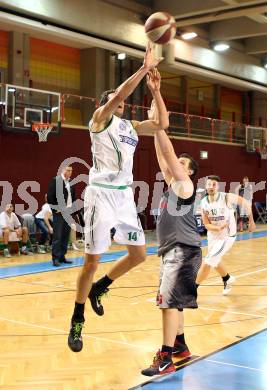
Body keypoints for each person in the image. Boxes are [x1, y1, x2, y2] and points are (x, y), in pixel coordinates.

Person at [68, 43, 168, 353]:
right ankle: (77, 317)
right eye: (116, 102)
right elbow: (119, 96)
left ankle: (100, 288)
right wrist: (142, 68)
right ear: (104, 104)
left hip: (124, 197)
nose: (121, 105)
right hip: (100, 196)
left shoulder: (132, 128)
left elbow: (162, 124)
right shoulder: (98, 121)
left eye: (122, 104)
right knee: (91, 261)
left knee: (139, 255)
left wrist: (155, 91)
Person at [141, 69, 201, 376]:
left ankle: (165, 358)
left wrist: (157, 104)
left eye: (182, 164)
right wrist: (154, 128)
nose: (176, 164)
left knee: (166, 302)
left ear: (189, 172)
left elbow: (167, 150)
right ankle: (180, 345)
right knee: (174, 301)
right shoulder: (173, 186)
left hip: (183, 250)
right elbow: (163, 156)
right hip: (174, 250)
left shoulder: (186, 187)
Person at [196, 176, 256, 294]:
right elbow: (207, 224)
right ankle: (227, 279)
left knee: (208, 261)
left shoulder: (226, 197)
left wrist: (251, 221)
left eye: (214, 184)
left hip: (227, 236)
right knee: (215, 260)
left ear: (218, 186)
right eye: (209, 184)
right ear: (206, 186)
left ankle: (192, 289)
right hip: (213, 235)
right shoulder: (203, 202)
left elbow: (245, 203)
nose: (211, 187)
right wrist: (217, 227)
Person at [47, 165, 76, 267]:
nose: (70, 172)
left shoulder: (71, 182)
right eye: (68, 170)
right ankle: (55, 258)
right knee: (57, 236)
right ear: (63, 171)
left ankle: (62, 256)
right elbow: (50, 196)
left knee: (65, 236)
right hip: (59, 213)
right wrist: (55, 209)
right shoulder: (56, 180)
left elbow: (73, 197)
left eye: (71, 170)